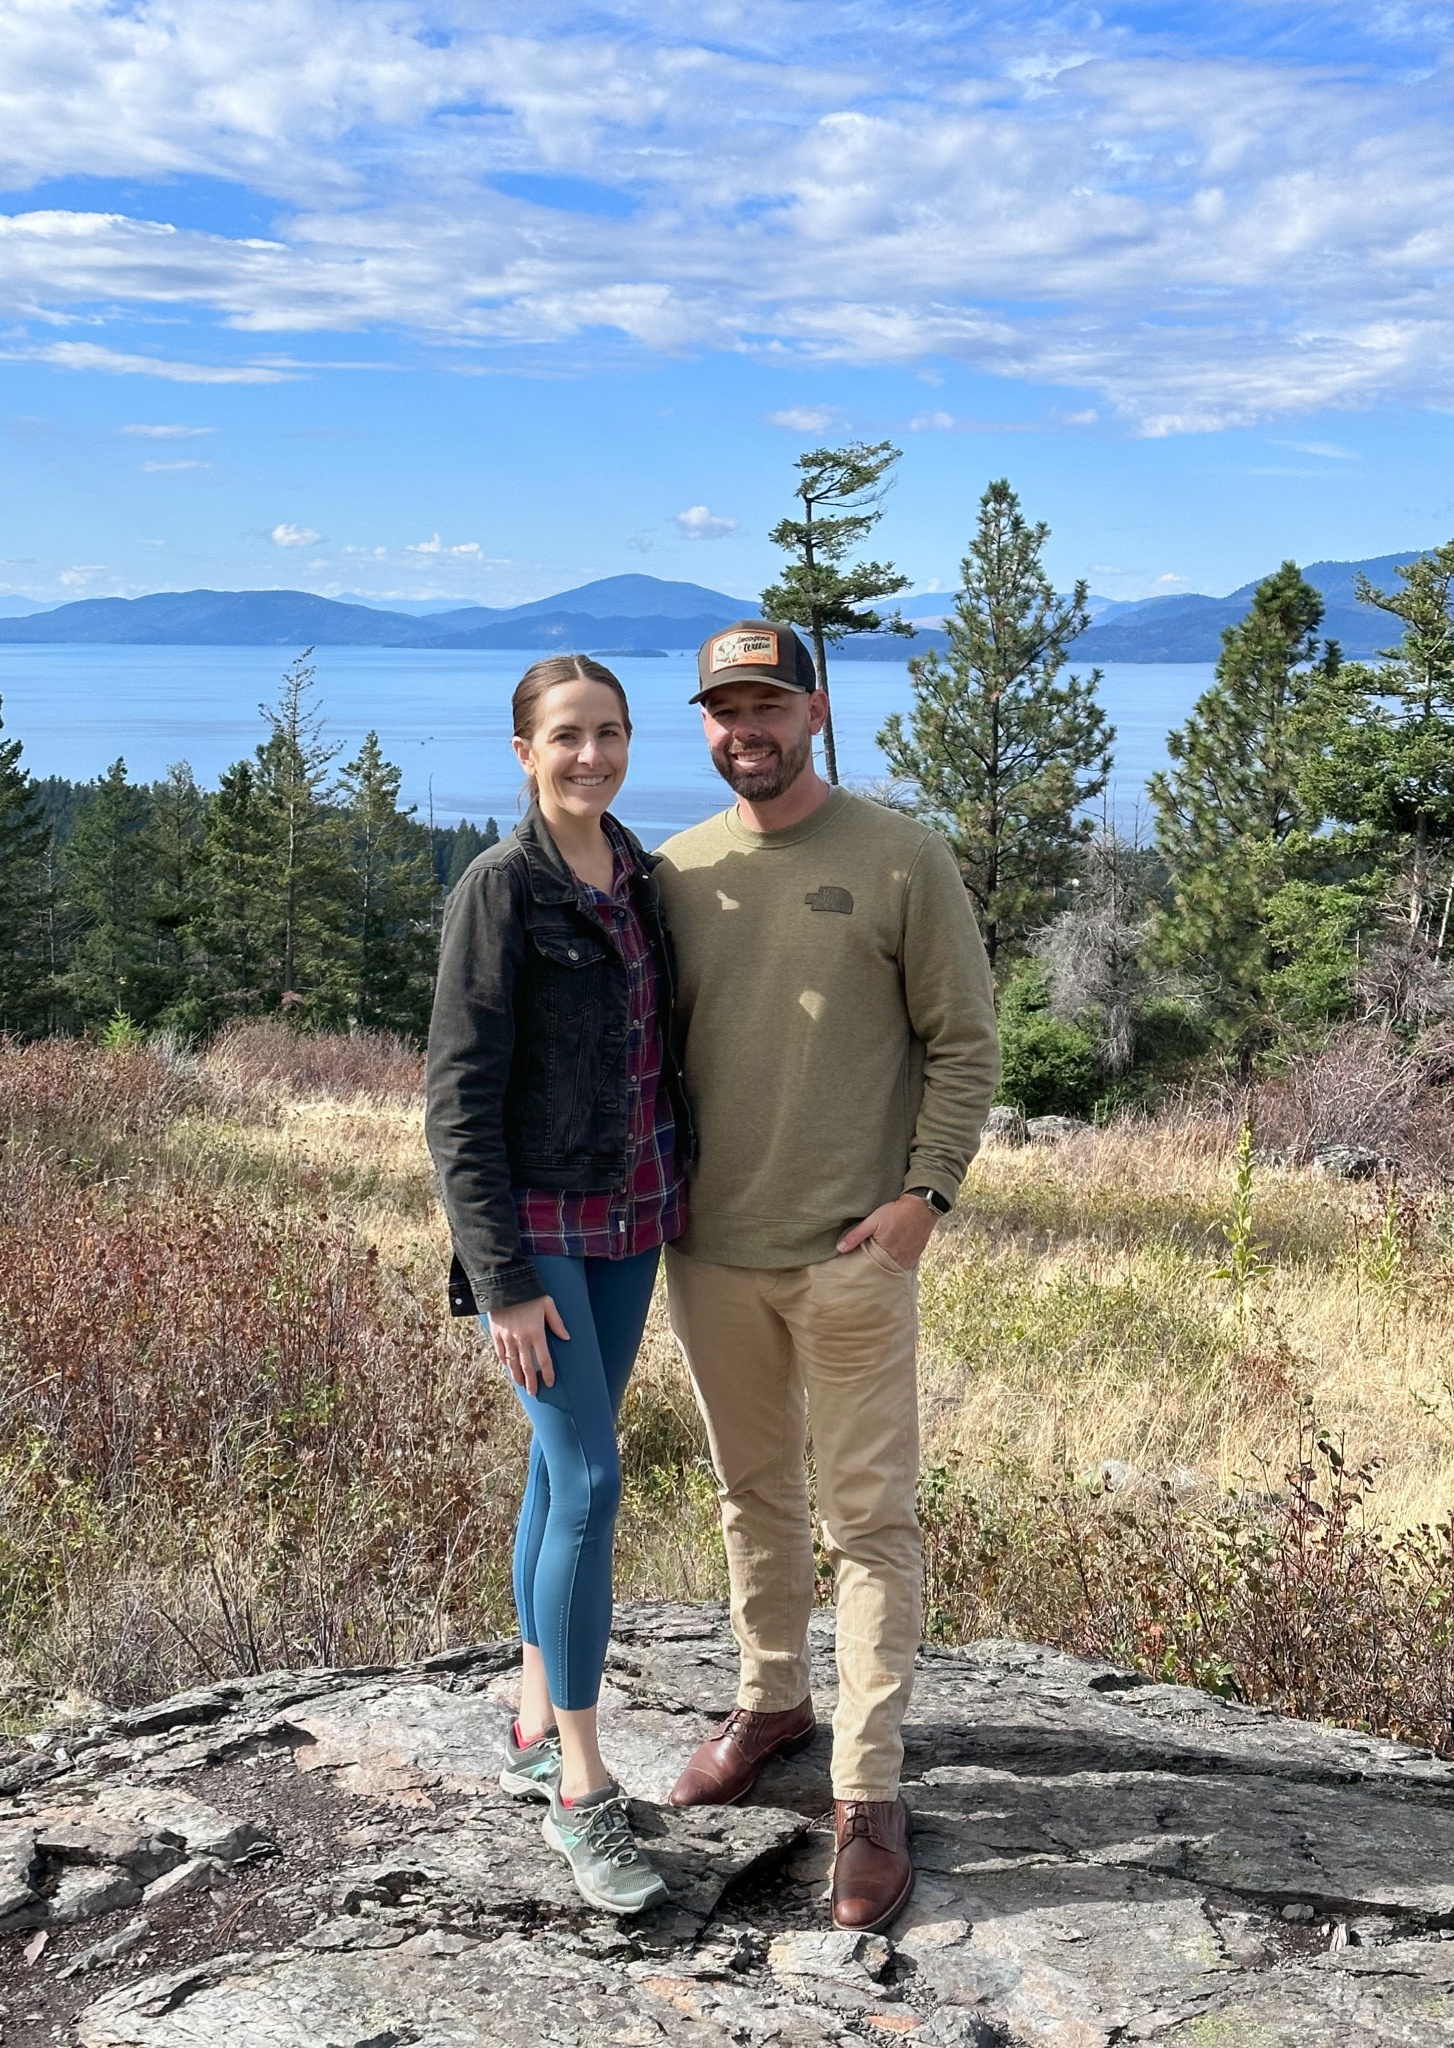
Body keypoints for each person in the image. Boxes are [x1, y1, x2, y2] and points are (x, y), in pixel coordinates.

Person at [654, 620, 999, 1933]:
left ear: (815, 709)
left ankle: (866, 1787)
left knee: (868, 1521)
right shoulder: (677, 872)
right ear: (707, 725)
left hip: (855, 1255)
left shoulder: (900, 855)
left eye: (770, 704)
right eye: (725, 709)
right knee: (752, 1497)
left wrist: (926, 1199)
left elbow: (965, 1043)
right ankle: (770, 1700)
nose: (748, 728)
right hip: (712, 1255)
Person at [425, 653, 692, 1917]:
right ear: (524, 750)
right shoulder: (501, 887)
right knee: (590, 1476)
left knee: (555, 1469)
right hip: (537, 1234)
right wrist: (502, 1279)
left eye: (612, 733)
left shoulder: (640, 875)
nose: (593, 756)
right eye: (568, 737)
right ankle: (585, 1788)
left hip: (634, 1214)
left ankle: (534, 1716)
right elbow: (458, 1103)